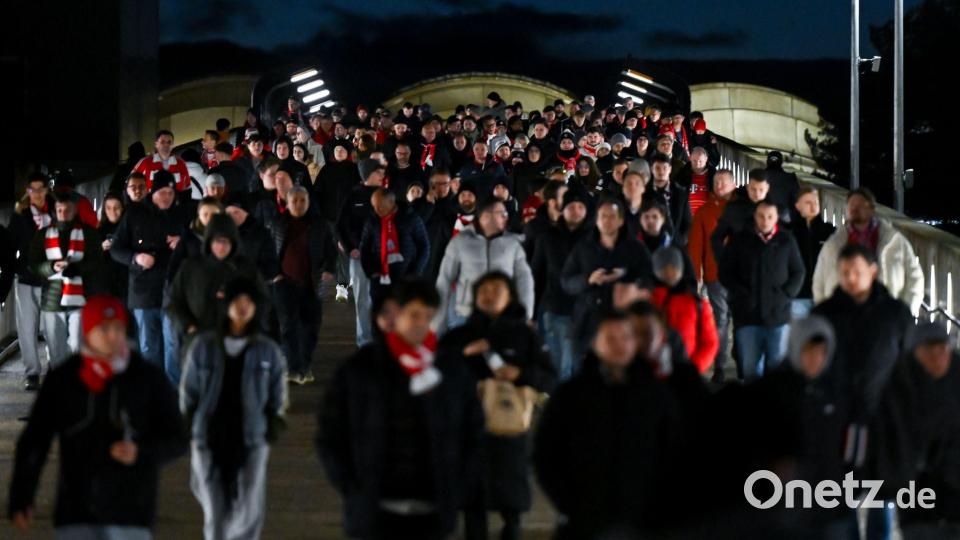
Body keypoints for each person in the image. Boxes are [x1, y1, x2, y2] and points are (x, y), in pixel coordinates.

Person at [8, 295, 187, 538]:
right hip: (77, 509)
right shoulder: (65, 379)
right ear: (88, 331)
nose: (113, 336)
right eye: (104, 329)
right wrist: (22, 496)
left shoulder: (147, 378)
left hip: (131, 511)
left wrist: (141, 452)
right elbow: (35, 440)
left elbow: (177, 438)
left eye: (118, 328)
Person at [317, 279, 483, 540]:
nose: (421, 323)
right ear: (395, 314)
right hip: (375, 509)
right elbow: (331, 434)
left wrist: (457, 487)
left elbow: (473, 431)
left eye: (428, 316)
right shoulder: (361, 369)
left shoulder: (450, 369)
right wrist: (353, 486)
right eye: (414, 314)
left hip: (434, 510)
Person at [534, 311, 680, 539]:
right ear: (595, 343)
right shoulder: (571, 394)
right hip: (584, 519)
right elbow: (546, 454)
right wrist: (570, 503)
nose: (619, 345)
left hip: (643, 519)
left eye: (625, 337)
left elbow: (675, 451)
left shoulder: (656, 395)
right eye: (610, 338)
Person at [439, 272, 556, 540]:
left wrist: (520, 374)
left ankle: (511, 529)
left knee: (510, 497)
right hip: (468, 431)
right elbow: (437, 374)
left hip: (510, 429)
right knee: (472, 499)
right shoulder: (460, 335)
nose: (489, 295)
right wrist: (462, 355)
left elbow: (549, 377)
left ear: (510, 296)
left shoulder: (525, 336)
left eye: (497, 289)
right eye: (484, 290)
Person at [812, 244, 914, 540]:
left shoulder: (895, 314)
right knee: (841, 502)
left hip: (883, 419)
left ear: (873, 271)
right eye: (844, 273)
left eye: (856, 272)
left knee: (881, 500)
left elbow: (909, 366)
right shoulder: (825, 314)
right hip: (838, 421)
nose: (850, 278)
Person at [181, 277, 288, 540]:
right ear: (227, 305)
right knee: (215, 509)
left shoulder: (267, 351)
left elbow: (277, 397)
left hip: (251, 438)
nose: (242, 307)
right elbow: (189, 393)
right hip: (209, 436)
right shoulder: (204, 347)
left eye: (248, 302)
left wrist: (270, 427)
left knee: (249, 510)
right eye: (237, 301)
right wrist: (190, 428)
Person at [167, 213, 263, 386]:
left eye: (226, 241)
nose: (221, 246)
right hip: (199, 342)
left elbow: (262, 300)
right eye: (217, 241)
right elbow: (174, 302)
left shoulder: (246, 268)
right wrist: (188, 326)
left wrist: (249, 322)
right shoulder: (190, 267)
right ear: (209, 241)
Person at [110, 170, 188, 369]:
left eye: (170, 193)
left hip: (172, 291)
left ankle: (171, 393)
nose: (167, 197)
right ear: (152, 193)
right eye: (162, 193)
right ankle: (152, 390)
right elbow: (116, 249)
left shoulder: (182, 215)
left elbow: (199, 245)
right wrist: (136, 258)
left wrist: (183, 242)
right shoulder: (134, 214)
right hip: (143, 291)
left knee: (173, 344)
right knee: (147, 346)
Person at [719, 200, 805, 380]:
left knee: (776, 369)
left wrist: (786, 294)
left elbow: (798, 271)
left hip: (778, 316)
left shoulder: (786, 241)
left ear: (776, 219)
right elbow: (726, 272)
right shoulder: (740, 240)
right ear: (755, 217)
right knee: (751, 369)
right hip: (748, 316)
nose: (765, 220)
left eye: (770, 217)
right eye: (761, 216)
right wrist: (740, 295)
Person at [561, 198, 654, 360]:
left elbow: (650, 279)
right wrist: (588, 280)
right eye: (602, 216)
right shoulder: (583, 247)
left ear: (620, 221)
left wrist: (632, 285)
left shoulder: (636, 248)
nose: (606, 221)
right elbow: (566, 282)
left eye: (611, 216)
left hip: (624, 322)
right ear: (596, 220)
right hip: (588, 322)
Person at [892, 322, 960, 539]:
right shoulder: (897, 388)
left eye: (942, 349)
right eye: (929, 350)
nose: (937, 357)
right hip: (916, 498)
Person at [812, 187, 924, 316]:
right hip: (844, 316)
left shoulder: (896, 242)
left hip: (885, 316)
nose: (854, 209)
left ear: (871, 209)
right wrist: (824, 316)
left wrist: (906, 313)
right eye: (851, 205)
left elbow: (915, 278)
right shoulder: (833, 244)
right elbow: (819, 281)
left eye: (860, 205)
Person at [435, 197, 535, 333]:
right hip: (466, 314)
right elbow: (445, 280)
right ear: (486, 216)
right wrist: (438, 322)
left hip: (502, 314)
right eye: (502, 214)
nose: (506, 218)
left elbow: (525, 280)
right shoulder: (460, 242)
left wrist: (525, 315)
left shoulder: (512, 244)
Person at [28, 191, 104, 366]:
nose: (63, 213)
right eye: (59, 210)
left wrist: (77, 268)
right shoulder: (43, 235)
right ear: (55, 211)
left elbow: (98, 262)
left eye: (67, 209)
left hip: (81, 299)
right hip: (52, 300)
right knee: (55, 350)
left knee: (79, 346)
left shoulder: (89, 233)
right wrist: (51, 267)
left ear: (75, 210)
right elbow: (33, 263)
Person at [270, 186, 336, 384]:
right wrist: (275, 275)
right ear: (287, 203)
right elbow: (270, 250)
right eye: (295, 201)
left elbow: (330, 251)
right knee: (288, 327)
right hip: (285, 284)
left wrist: (328, 270)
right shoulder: (279, 223)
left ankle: (305, 366)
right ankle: (293, 367)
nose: (298, 204)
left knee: (310, 329)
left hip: (312, 284)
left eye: (302, 200)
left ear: (308, 201)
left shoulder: (320, 224)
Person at [532, 189, 591, 380]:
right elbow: (537, 275)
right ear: (562, 210)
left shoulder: (594, 240)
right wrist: (532, 314)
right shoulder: (548, 237)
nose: (575, 211)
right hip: (555, 309)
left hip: (586, 313)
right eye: (571, 207)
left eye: (580, 207)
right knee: (559, 368)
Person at [688, 169, 737, 382]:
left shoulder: (741, 210)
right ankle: (720, 364)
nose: (719, 186)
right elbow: (695, 246)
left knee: (739, 320)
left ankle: (738, 359)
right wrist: (696, 275)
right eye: (716, 182)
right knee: (721, 320)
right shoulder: (704, 212)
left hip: (741, 275)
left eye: (724, 182)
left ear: (733, 184)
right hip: (714, 273)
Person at [9, 173, 56, 390]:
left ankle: (56, 369)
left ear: (47, 189)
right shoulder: (20, 214)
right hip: (26, 278)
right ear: (27, 192)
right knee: (27, 328)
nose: (37, 193)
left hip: (51, 278)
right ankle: (32, 373)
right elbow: (10, 246)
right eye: (32, 189)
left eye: (40, 188)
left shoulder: (57, 209)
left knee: (53, 328)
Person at [338, 158, 385, 347]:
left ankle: (382, 340)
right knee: (363, 300)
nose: (382, 175)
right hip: (360, 258)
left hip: (384, 256)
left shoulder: (386, 195)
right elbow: (341, 225)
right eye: (378, 172)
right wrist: (351, 248)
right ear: (368, 174)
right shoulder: (353, 195)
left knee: (383, 299)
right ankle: (365, 341)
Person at [650, 247, 719, 374]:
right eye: (663, 268)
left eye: (674, 268)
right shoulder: (647, 301)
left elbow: (710, 342)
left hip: (687, 374)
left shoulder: (697, 304)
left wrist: (693, 369)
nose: (669, 272)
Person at [359, 188, 430, 304]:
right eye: (374, 206)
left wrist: (415, 273)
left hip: (406, 277)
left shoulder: (410, 217)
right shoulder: (372, 221)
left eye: (380, 206)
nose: (376, 210)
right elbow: (364, 247)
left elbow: (424, 246)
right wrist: (371, 271)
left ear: (392, 203)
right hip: (380, 278)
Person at [789, 186, 835, 319]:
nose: (813, 206)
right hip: (799, 295)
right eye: (808, 202)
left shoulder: (829, 231)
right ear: (798, 206)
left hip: (823, 294)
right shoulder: (791, 232)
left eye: (816, 202)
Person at [711, 168, 771, 262]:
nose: (757, 194)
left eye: (761, 189)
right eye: (753, 189)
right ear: (747, 187)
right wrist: (723, 262)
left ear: (767, 188)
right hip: (739, 265)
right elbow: (716, 237)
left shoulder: (777, 211)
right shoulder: (734, 209)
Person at [647, 153, 692, 244]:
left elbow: (687, 222)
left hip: (676, 244)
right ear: (652, 169)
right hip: (650, 244)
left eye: (664, 168)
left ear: (670, 169)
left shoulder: (681, 193)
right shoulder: (645, 192)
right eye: (657, 168)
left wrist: (681, 240)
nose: (661, 172)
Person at [97, 192, 129, 304]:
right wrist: (100, 247)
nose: (112, 212)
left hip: (126, 282)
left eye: (116, 208)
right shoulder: (98, 231)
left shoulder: (129, 228)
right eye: (108, 208)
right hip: (106, 283)